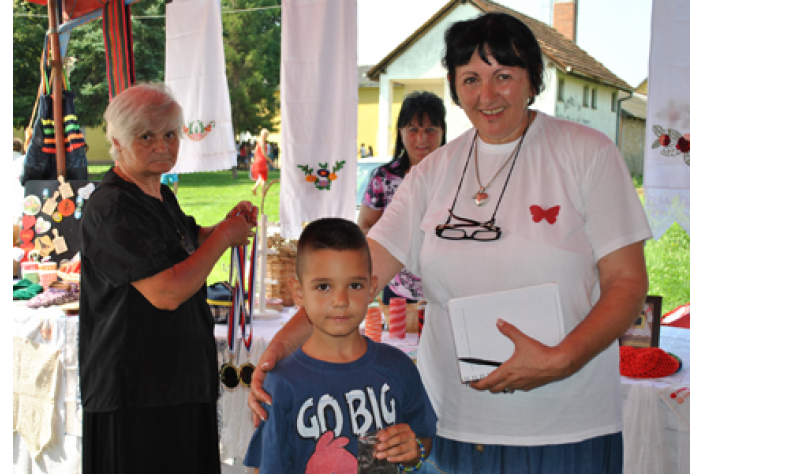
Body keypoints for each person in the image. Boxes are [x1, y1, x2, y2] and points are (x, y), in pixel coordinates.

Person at [249, 12, 651, 473]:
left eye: (504, 76)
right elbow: (362, 273)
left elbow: (627, 281)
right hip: (454, 428)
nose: (488, 95)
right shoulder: (431, 173)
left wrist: (562, 359)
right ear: (455, 87)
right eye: (471, 79)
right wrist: (279, 347)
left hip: (566, 426)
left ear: (533, 79)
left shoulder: (587, 153)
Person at [79, 83, 258, 474]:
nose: (162, 145)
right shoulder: (113, 208)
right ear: (117, 142)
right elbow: (167, 290)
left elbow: (190, 242)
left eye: (170, 134)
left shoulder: (158, 195)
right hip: (136, 396)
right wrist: (225, 239)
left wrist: (227, 225)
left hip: (174, 384)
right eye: (146, 135)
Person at [242, 218, 437, 473]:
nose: (341, 300)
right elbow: (267, 468)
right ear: (298, 292)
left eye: (355, 285)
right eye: (324, 286)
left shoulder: (398, 367)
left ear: (372, 289)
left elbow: (423, 438)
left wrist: (414, 451)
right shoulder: (282, 383)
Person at [357, 91, 447, 305]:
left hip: (447, 290)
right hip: (398, 291)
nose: (422, 139)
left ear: (443, 132)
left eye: (431, 130)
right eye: (413, 130)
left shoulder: (459, 176)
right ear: (401, 132)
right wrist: (403, 242)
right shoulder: (383, 178)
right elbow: (364, 227)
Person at [251, 128, 272, 196]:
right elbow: (264, 154)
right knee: (264, 177)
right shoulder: (262, 143)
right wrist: (270, 160)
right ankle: (263, 192)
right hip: (262, 161)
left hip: (257, 161)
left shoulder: (258, 143)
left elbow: (255, 153)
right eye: (266, 134)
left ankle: (255, 188)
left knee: (261, 177)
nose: (266, 136)